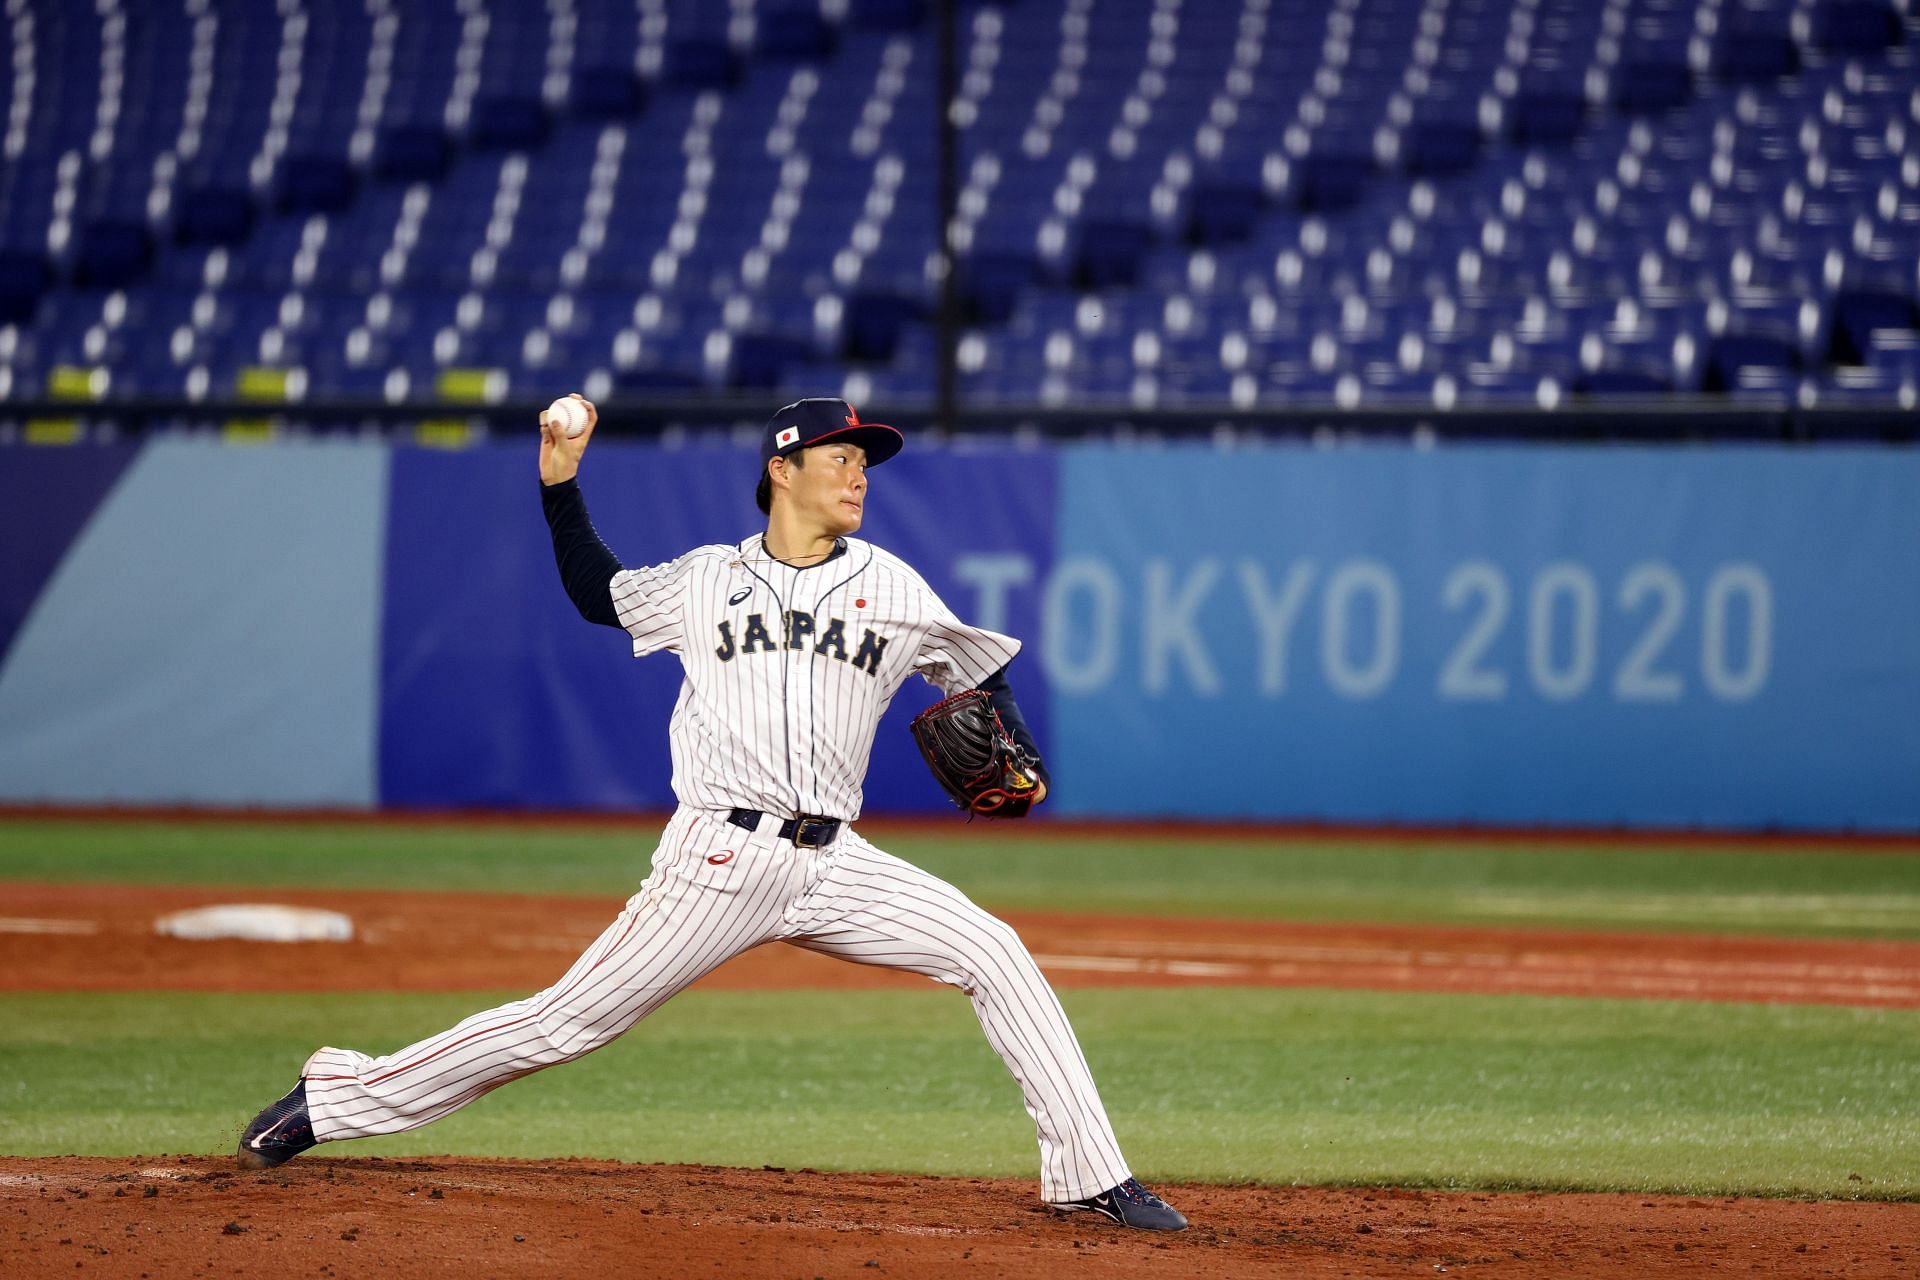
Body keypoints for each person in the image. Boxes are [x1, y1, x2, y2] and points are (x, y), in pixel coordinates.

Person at [236, 395, 1187, 1232]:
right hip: (717, 860)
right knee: (566, 1023)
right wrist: (559, 484)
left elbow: (976, 666)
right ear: (783, 469)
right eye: (841, 457)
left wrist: (1017, 749)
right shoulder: (706, 580)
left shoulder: (894, 586)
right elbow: (595, 591)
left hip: (836, 863)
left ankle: (1091, 1177)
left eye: (865, 461)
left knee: (997, 953)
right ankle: (336, 1098)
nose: (859, 474)